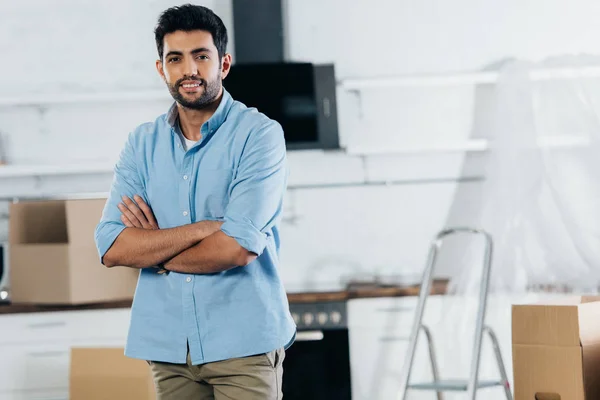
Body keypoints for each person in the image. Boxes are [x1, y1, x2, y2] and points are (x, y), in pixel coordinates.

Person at [94, 4, 296, 399]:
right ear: (161, 69)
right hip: (169, 345)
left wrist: (154, 251)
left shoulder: (259, 136)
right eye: (176, 58)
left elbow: (236, 248)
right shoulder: (142, 143)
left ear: (223, 63)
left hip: (244, 345)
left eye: (201, 56)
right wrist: (203, 229)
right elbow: (112, 245)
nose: (189, 69)